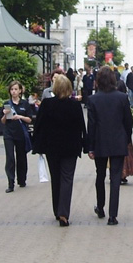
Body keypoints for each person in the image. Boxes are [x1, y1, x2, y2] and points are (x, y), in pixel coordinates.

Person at [32, 75, 86, 227]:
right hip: (70, 147)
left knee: (55, 178)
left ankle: (57, 209)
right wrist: (85, 145)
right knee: (67, 179)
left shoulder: (47, 104)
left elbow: (39, 125)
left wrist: (36, 144)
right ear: (69, 88)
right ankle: (63, 212)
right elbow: (82, 126)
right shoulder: (75, 106)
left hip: (52, 147)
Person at [87, 66, 133, 226]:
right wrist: (127, 139)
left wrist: (90, 147)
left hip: (100, 143)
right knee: (115, 178)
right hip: (118, 142)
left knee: (100, 176)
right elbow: (128, 122)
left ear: (98, 81)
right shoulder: (122, 97)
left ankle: (100, 207)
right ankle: (113, 215)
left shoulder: (93, 100)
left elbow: (91, 126)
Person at [1, 80, 33, 192]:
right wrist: (5, 115)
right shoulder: (7, 104)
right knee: (10, 158)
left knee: (21, 157)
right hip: (9, 133)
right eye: (12, 89)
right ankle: (10, 183)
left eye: (16, 89)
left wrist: (20, 117)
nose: (14, 92)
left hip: (21, 133)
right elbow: (3, 121)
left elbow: (30, 119)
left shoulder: (24, 104)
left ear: (20, 91)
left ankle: (22, 179)